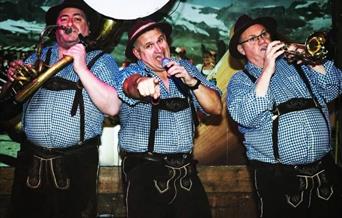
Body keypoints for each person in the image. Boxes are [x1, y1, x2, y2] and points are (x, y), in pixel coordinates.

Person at [5, 0, 121, 217]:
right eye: (64, 18)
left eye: (78, 18)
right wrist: (14, 79)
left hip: (76, 163)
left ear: (87, 29)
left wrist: (82, 68)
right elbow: (16, 100)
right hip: (30, 159)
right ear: (55, 28)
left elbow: (113, 107)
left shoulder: (102, 61)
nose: (70, 22)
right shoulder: (37, 57)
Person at [226, 14, 342, 218]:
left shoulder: (298, 66)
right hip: (279, 179)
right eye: (253, 38)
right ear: (241, 49)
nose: (262, 40)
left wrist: (312, 59)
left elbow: (334, 88)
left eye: (264, 34)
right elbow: (245, 116)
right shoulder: (240, 81)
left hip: (324, 172)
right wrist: (268, 68)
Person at [116, 19, 222, 218]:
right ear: (137, 54)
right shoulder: (132, 71)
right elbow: (128, 85)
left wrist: (192, 83)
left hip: (185, 171)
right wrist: (141, 85)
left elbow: (215, 108)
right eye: (149, 46)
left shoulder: (184, 68)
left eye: (161, 40)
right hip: (145, 172)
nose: (159, 49)